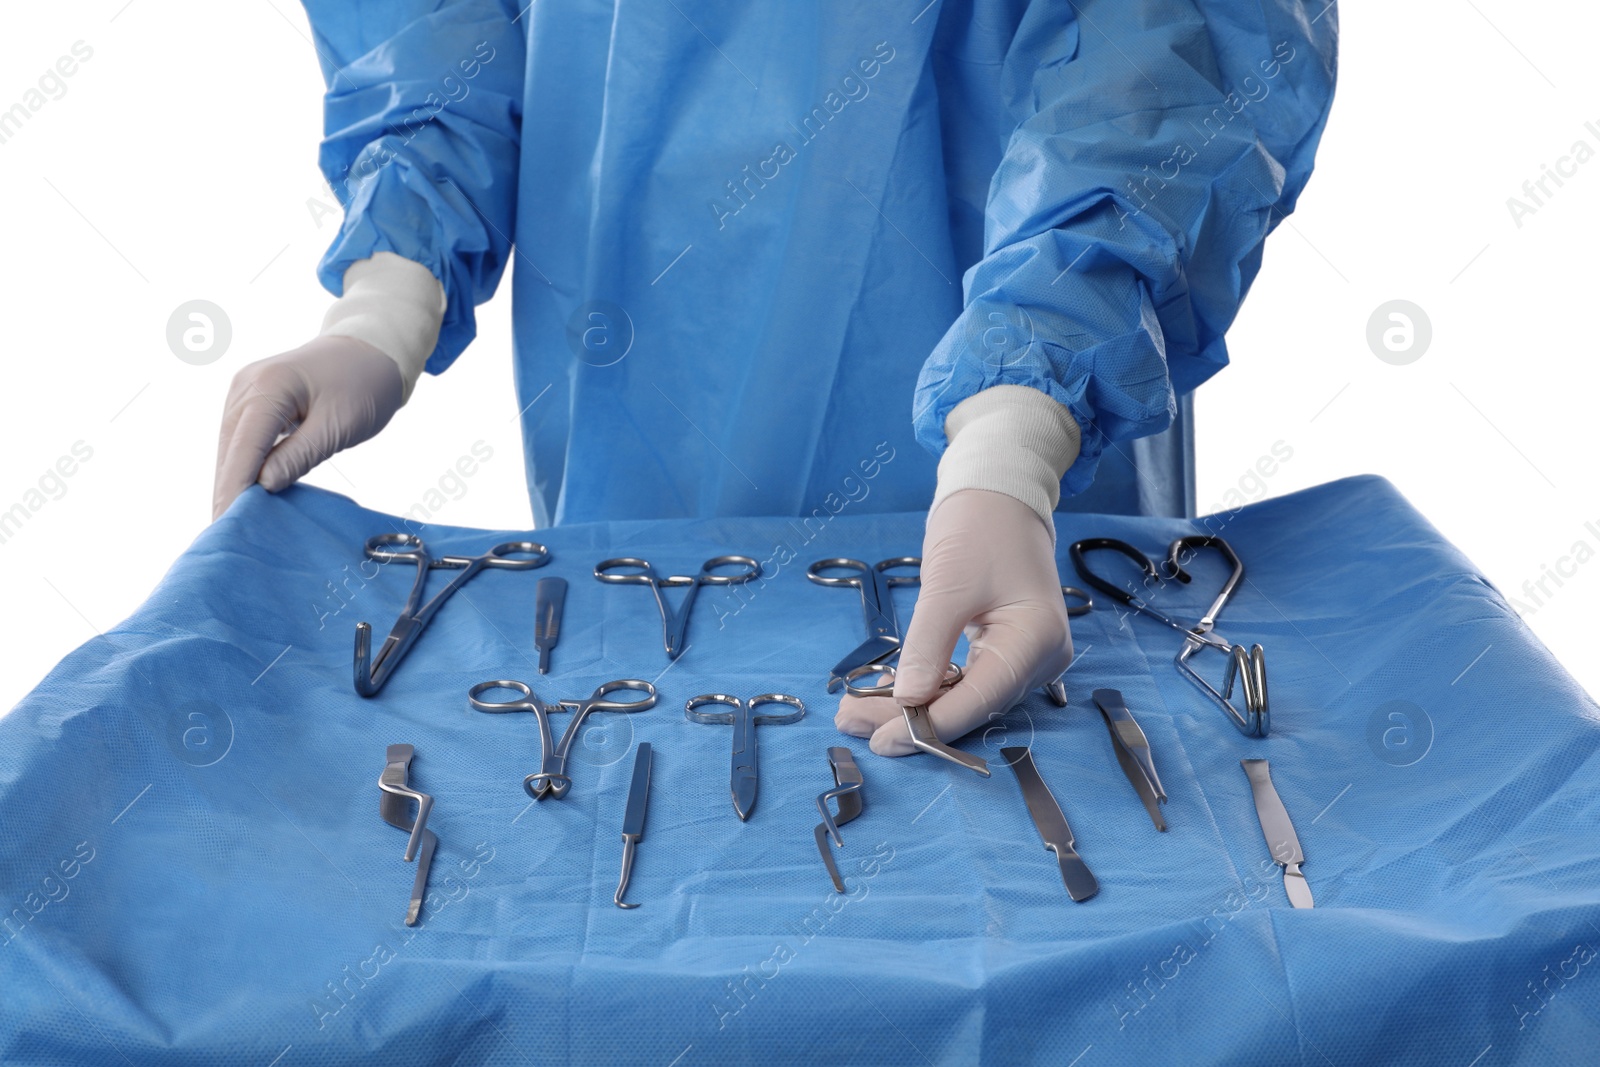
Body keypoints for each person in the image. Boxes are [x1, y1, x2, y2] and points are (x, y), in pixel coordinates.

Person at [213, 0, 1336, 757]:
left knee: (1030, 781)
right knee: (649, 767)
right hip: (642, 372)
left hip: (1027, 432)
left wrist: (1013, 438)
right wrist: (387, 297)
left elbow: (1172, 51)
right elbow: (438, 32)